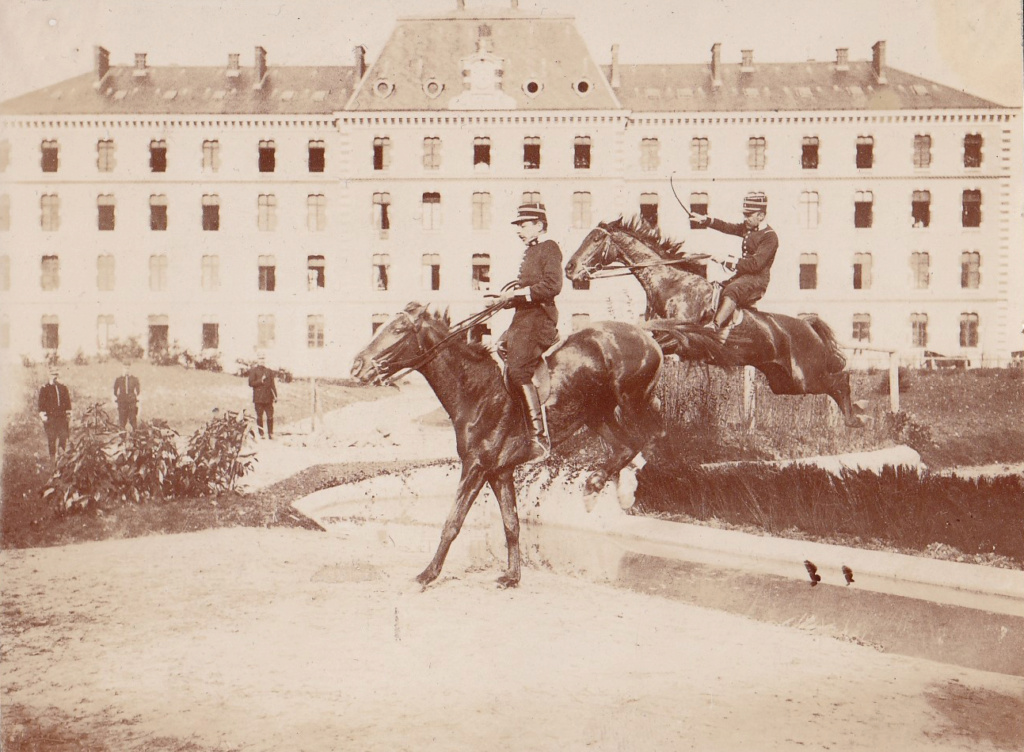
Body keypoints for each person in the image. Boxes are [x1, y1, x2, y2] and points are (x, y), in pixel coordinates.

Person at [494, 202, 563, 461]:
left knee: (517, 370)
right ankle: (518, 427)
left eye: (523, 225)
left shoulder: (550, 248)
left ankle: (539, 438)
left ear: (539, 225)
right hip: (523, 318)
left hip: (539, 319)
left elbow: (552, 285)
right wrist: (502, 299)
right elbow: (526, 292)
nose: (519, 231)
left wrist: (517, 294)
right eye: (519, 226)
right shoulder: (531, 251)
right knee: (500, 349)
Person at [690, 191, 779, 330]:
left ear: (761, 216)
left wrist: (725, 260)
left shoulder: (770, 237)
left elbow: (755, 265)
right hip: (744, 277)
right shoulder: (749, 228)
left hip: (758, 280)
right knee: (717, 289)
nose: (745, 218)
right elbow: (727, 227)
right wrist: (705, 220)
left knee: (732, 290)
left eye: (749, 215)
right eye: (744, 214)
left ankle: (714, 326)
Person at [38, 364, 71, 461]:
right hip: (50, 418)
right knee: (51, 438)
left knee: (63, 437)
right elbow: (41, 404)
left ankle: (61, 458)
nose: (55, 376)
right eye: (53, 374)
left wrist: (68, 414)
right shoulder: (45, 388)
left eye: (56, 374)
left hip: (61, 417)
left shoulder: (63, 388)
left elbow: (67, 402)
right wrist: (43, 416)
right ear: (49, 375)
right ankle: (52, 459)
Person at [247, 353, 277, 440]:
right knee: (259, 416)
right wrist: (260, 380)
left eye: (263, 359)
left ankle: (270, 433)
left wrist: (275, 396)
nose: (262, 361)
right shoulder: (254, 371)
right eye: (260, 359)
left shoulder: (269, 371)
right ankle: (261, 433)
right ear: (257, 360)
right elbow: (250, 383)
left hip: (268, 398)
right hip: (258, 398)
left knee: (270, 416)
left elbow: (272, 385)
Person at [112, 360, 141, 430]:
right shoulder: (118, 379)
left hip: (131, 403)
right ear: (122, 368)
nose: (126, 370)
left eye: (128, 368)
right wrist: (119, 398)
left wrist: (134, 398)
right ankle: (122, 438)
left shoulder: (134, 379)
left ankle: (135, 437)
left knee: (133, 420)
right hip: (122, 403)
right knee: (122, 421)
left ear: (130, 369)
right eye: (125, 368)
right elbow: (115, 392)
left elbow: (138, 391)